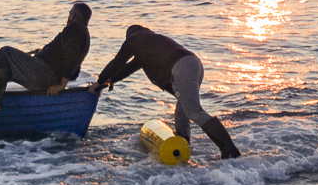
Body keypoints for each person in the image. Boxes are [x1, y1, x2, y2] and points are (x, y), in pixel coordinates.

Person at [95, 24, 241, 159]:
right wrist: (111, 80)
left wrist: (99, 81)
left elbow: (118, 61)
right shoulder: (149, 46)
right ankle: (181, 151)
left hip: (182, 67)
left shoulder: (135, 39)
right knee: (182, 113)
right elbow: (128, 68)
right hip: (192, 64)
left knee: (193, 111)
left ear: (130, 36)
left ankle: (229, 150)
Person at [0, 2, 92, 111]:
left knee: (5, 52)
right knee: (5, 64)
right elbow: (69, 56)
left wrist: (62, 85)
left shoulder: (74, 28)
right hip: (45, 73)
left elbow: (71, 57)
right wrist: (44, 52)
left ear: (73, 16)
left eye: (69, 13)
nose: (68, 16)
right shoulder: (84, 34)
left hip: (44, 74)